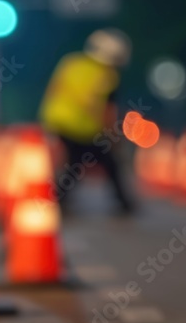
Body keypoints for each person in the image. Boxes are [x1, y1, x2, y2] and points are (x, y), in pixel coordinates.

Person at [39, 29, 135, 215]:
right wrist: (113, 136)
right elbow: (108, 111)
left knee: (75, 164)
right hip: (83, 127)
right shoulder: (107, 76)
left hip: (56, 121)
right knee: (108, 161)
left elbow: (54, 89)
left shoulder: (71, 62)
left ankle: (58, 200)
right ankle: (123, 203)